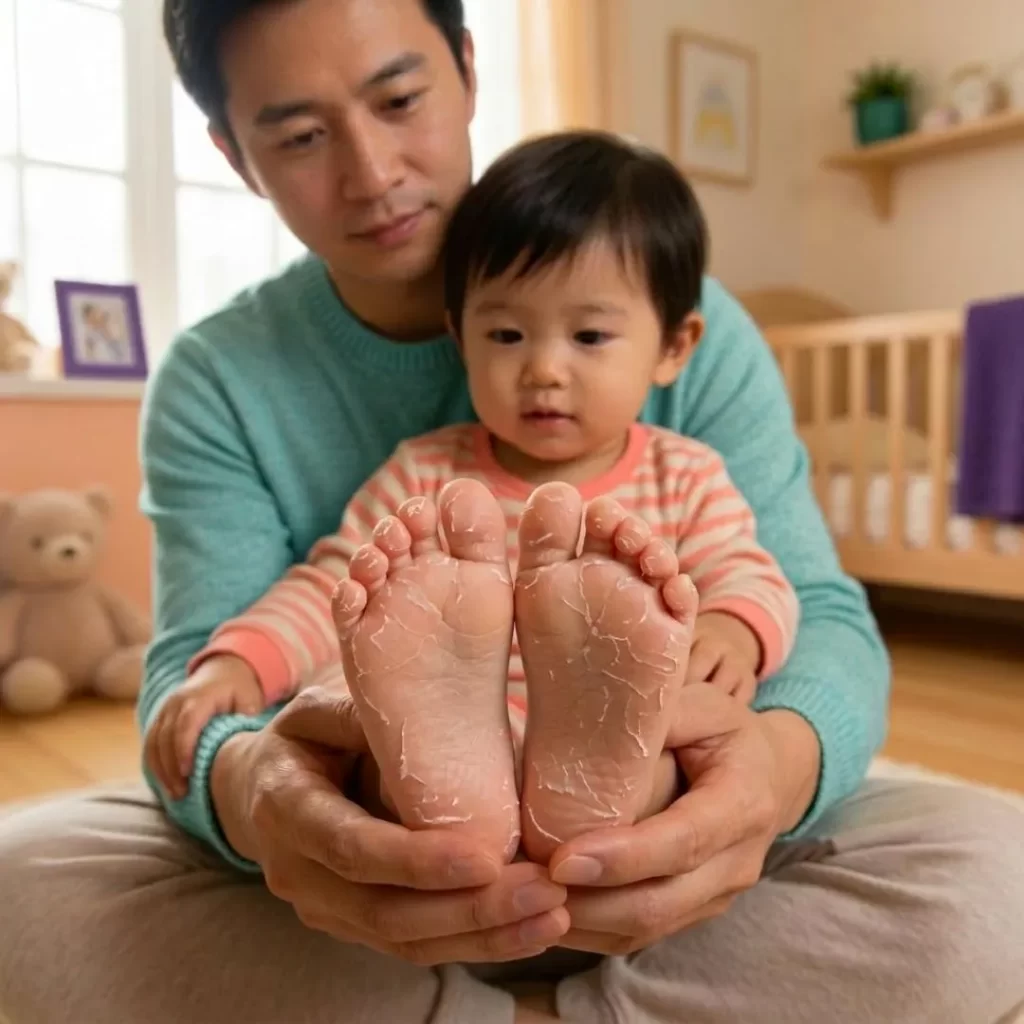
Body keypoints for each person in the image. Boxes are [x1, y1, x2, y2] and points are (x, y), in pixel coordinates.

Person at [0, 1, 1022, 1022]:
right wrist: (244, 734)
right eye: (302, 135)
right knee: (22, 882)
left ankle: (481, 966)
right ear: (234, 152)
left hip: (653, 839)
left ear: (468, 71)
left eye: (399, 98)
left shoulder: (670, 374)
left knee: (998, 873)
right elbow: (303, 604)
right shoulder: (365, 446)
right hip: (383, 857)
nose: (372, 172)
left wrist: (757, 739)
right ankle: (515, 886)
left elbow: (794, 597)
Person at [145, 131, 801, 867]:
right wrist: (242, 663)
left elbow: (753, 574)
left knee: (670, 755)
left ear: (675, 347)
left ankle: (590, 774)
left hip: (620, 740)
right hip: (451, 756)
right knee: (366, 760)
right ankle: (445, 767)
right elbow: (335, 588)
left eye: (588, 335)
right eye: (508, 333)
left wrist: (731, 628)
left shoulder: (686, 475)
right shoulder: (427, 476)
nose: (544, 369)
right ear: (461, 338)